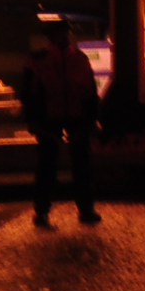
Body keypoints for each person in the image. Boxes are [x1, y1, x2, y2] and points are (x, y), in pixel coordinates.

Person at [23, 22, 100, 228]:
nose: (65, 36)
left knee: (80, 167)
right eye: (62, 33)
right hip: (51, 118)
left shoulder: (78, 58)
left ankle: (85, 209)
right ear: (52, 36)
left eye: (66, 33)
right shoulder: (40, 59)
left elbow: (90, 90)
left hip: (74, 116)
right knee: (49, 167)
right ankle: (43, 211)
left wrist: (91, 118)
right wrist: (32, 119)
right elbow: (28, 92)